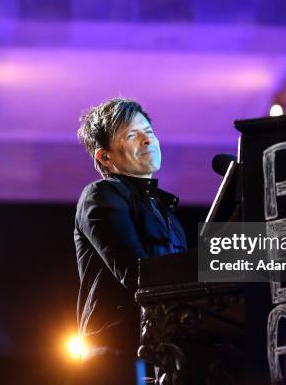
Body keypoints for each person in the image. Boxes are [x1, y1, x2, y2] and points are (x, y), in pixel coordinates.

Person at [72, 98, 188, 384]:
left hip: (167, 355)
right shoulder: (101, 195)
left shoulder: (167, 213)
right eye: (132, 136)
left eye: (149, 132)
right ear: (105, 157)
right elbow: (136, 272)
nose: (147, 141)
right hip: (116, 358)